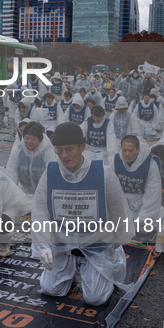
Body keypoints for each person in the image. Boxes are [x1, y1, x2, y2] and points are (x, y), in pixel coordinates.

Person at [31, 122, 133, 306]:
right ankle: (69, 271)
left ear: (82, 147)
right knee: (50, 289)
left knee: (95, 299)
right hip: (63, 243)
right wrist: (43, 244)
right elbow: (39, 211)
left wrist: (118, 238)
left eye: (69, 149)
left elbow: (118, 209)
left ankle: (102, 268)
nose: (64, 155)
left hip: (95, 244)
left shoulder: (103, 174)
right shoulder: (50, 173)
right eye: (59, 149)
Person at [112, 136, 162, 226]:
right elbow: (109, 187)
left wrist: (145, 214)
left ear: (138, 149)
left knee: (144, 227)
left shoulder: (149, 163)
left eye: (131, 151)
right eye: (124, 150)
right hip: (121, 201)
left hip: (141, 202)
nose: (127, 154)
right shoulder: (116, 160)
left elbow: (153, 191)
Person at [6, 122, 57, 196]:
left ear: (40, 139)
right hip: (23, 189)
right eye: (27, 138)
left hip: (42, 191)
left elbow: (52, 173)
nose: (29, 142)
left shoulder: (47, 150)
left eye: (33, 139)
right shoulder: (18, 149)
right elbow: (11, 170)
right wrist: (12, 192)